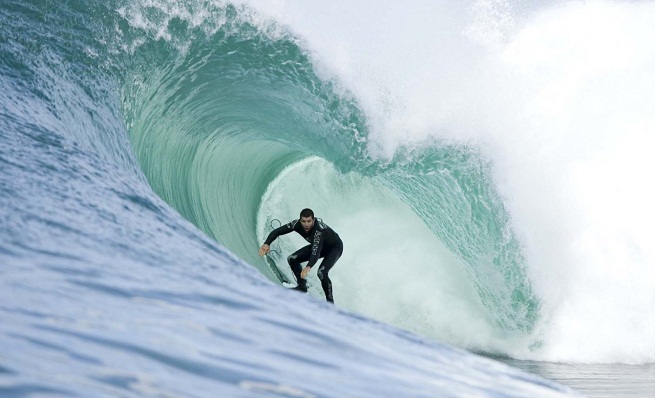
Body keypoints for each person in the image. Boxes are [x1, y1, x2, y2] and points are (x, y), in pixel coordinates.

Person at [259, 208, 343, 303]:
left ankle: (330, 304)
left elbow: (316, 253)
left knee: (322, 272)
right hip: (320, 246)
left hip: (334, 248)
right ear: (300, 220)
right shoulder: (296, 224)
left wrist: (308, 266)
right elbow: (278, 231)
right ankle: (302, 287)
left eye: (309, 221)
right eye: (303, 221)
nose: (306, 224)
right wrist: (267, 243)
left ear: (313, 220)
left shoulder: (318, 232)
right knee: (292, 259)